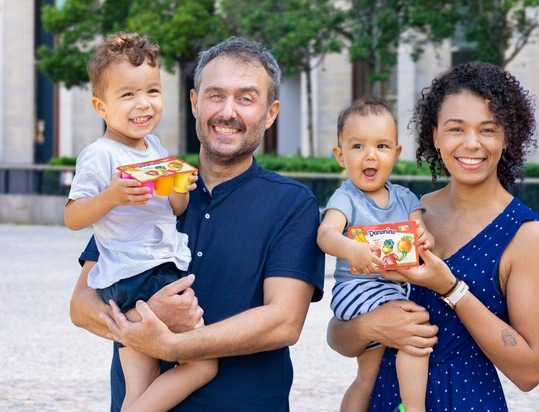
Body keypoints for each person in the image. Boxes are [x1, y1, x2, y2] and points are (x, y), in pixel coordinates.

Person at [69, 36, 325, 411]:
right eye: (215, 95)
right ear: (194, 102)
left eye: (246, 98)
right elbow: (81, 305)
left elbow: (283, 322)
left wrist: (172, 345)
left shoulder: (291, 204)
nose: (227, 111)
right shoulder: (140, 183)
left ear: (271, 113)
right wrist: (146, 313)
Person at [327, 61, 539, 411]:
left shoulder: (527, 235)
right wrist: (372, 327)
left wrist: (451, 289)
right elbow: (338, 335)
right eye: (455, 129)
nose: (471, 144)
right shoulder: (411, 213)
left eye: (488, 130)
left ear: (507, 136)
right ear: (435, 135)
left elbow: (530, 372)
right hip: (388, 398)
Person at [65, 32, 216, 412]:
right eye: (127, 95)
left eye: (152, 91)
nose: (143, 104)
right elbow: (72, 216)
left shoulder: (156, 149)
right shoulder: (99, 156)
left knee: (139, 383)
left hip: (146, 270)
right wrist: (111, 197)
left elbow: (176, 210)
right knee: (203, 363)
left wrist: (181, 186)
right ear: (100, 106)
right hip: (141, 275)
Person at [317, 97, 433, 412]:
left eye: (382, 146)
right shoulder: (346, 198)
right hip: (356, 290)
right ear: (340, 156)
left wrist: (423, 236)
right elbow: (325, 234)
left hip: (390, 288)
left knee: (366, 378)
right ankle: (414, 407)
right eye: (358, 147)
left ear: (395, 154)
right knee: (416, 329)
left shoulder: (406, 198)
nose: (370, 155)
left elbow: (422, 234)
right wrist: (350, 248)